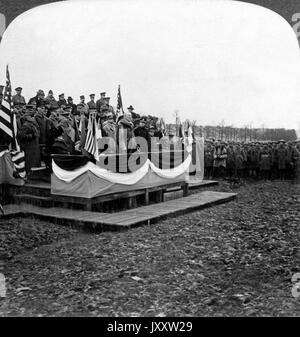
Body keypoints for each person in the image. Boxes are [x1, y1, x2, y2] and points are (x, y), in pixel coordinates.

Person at [17, 106, 41, 173]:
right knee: (28, 161)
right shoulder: (26, 125)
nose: (32, 118)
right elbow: (21, 135)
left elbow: (37, 132)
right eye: (30, 117)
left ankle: (30, 173)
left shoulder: (33, 124)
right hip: (28, 146)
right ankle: (27, 173)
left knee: (31, 161)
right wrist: (31, 136)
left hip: (33, 145)